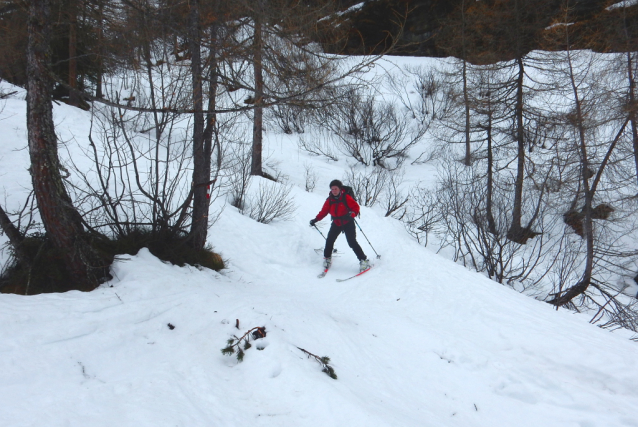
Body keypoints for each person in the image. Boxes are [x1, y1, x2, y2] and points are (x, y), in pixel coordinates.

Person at [310, 180, 370, 272]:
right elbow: (324, 212)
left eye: (336, 188)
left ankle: (363, 260)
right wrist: (316, 219)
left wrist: (352, 214)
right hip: (336, 223)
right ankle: (327, 258)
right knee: (330, 240)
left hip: (348, 222)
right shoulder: (329, 200)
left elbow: (355, 207)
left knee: (351, 242)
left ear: (340, 189)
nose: (334, 191)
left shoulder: (346, 197)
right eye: (332, 189)